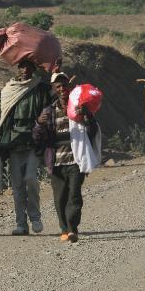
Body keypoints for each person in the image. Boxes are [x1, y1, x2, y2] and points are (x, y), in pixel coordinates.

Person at [34, 72, 101, 243]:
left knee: (74, 195)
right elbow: (37, 137)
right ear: (54, 89)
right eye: (58, 86)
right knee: (60, 197)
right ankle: (64, 228)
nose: (62, 89)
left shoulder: (79, 108)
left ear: (69, 88)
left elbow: (92, 132)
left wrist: (87, 116)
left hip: (76, 160)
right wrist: (39, 123)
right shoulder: (48, 111)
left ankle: (72, 228)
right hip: (56, 162)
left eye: (64, 85)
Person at [0, 60, 50, 236]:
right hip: (14, 143)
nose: (25, 70)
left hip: (33, 142)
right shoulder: (9, 90)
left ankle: (35, 217)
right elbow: (4, 118)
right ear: (18, 69)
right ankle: (21, 224)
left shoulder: (40, 89)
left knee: (30, 179)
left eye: (29, 67)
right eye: (22, 66)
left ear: (34, 69)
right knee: (17, 185)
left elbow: (51, 101)